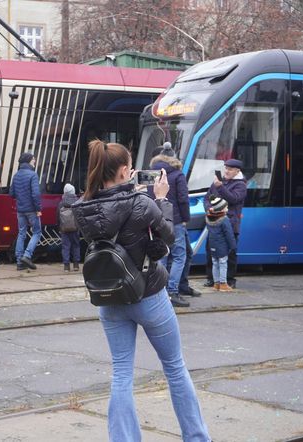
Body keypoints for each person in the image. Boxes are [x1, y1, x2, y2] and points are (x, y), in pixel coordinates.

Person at [72, 140, 210, 442]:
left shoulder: (83, 207)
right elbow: (169, 237)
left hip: (108, 298)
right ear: (125, 170)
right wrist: (161, 199)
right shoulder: (141, 203)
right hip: (149, 295)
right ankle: (197, 438)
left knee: (121, 374)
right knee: (174, 368)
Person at [149, 144, 190, 307]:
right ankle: (172, 291)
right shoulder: (178, 175)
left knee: (162, 255)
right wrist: (186, 218)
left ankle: (161, 290)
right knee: (180, 255)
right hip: (177, 220)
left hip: (157, 218)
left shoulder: (152, 173)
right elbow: (183, 199)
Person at [203, 158, 246, 289]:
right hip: (214, 221)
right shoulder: (218, 182)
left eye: (230, 169)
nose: (226, 171)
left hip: (230, 223)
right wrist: (208, 208)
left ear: (237, 171)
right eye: (226, 168)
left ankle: (229, 279)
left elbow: (233, 199)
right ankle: (212, 278)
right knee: (211, 250)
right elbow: (207, 198)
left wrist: (220, 187)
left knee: (230, 252)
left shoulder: (241, 185)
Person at [10, 152, 41, 271]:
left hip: (20, 209)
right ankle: (27, 256)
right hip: (32, 209)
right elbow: (36, 194)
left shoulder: (16, 175)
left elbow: (12, 193)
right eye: (33, 159)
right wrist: (38, 209)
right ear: (28, 160)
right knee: (37, 232)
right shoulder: (33, 175)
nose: (35, 161)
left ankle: (19, 262)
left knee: (22, 233)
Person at [205, 197, 237, 292]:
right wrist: (233, 246)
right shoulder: (224, 219)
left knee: (215, 263)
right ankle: (223, 284)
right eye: (226, 207)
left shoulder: (209, 217)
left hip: (212, 245)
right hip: (222, 246)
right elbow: (229, 234)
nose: (227, 209)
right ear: (222, 209)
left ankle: (216, 283)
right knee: (223, 263)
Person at [58, 183, 80, 272]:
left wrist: (59, 226)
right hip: (75, 228)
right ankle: (76, 265)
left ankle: (66, 266)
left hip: (64, 228)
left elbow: (57, 216)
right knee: (76, 245)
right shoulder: (77, 201)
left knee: (65, 246)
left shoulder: (61, 203)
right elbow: (80, 215)